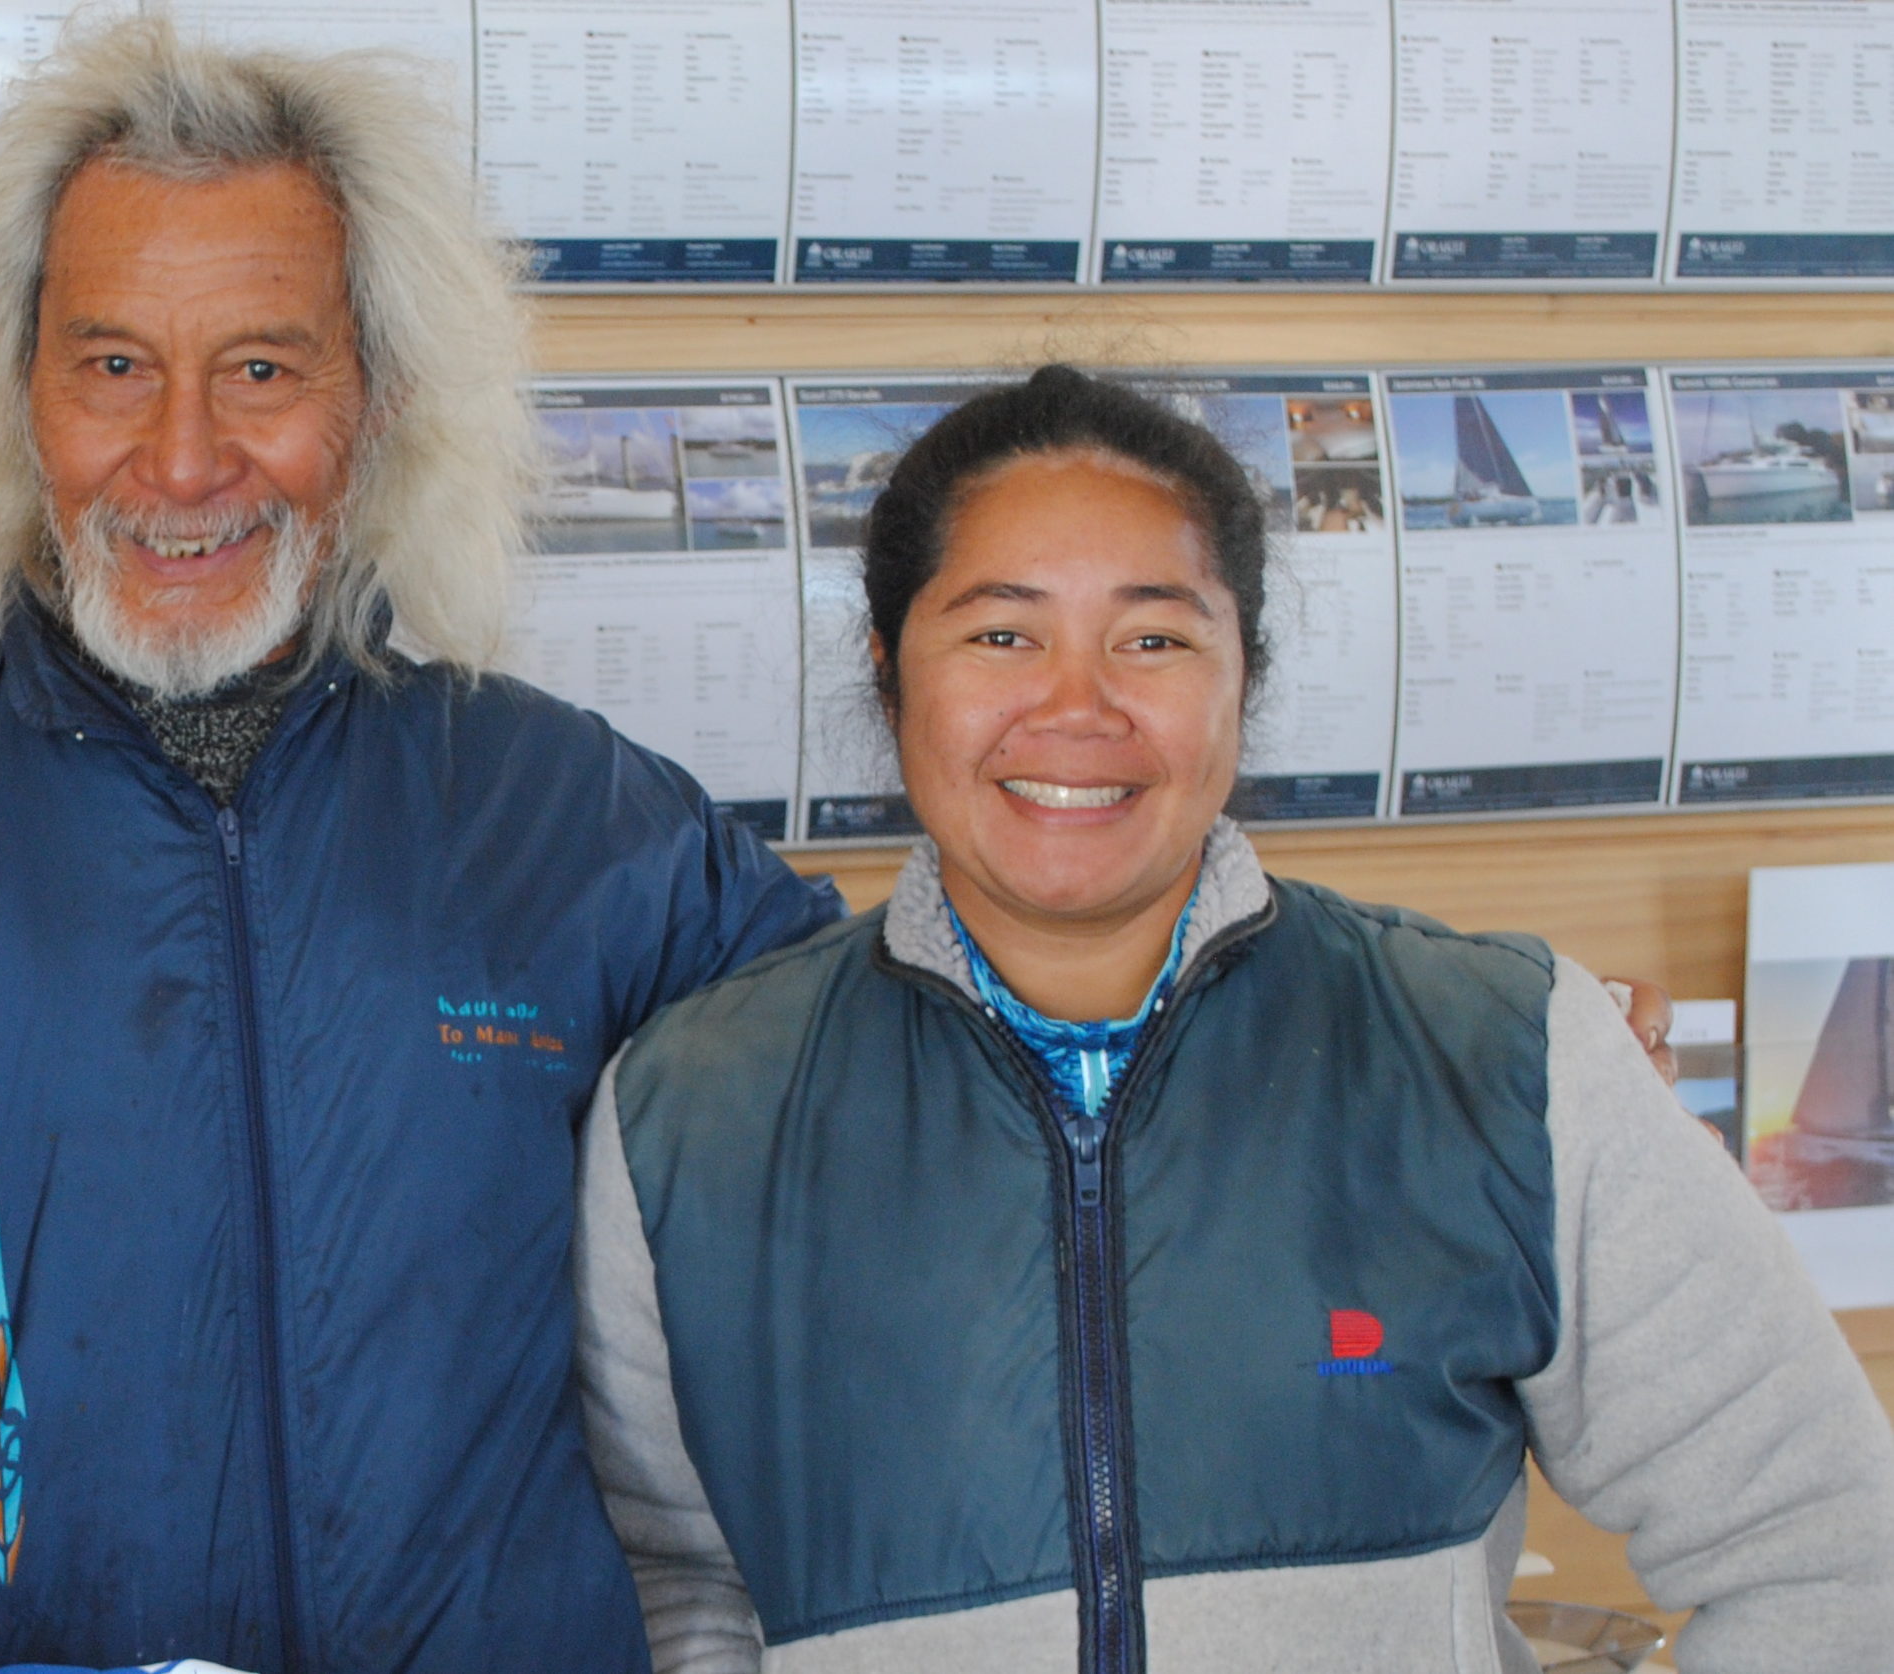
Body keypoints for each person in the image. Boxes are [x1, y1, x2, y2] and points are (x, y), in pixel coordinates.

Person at [0, 19, 842, 1674]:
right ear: (18, 392)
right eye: (111, 363)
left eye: (261, 365)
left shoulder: (597, 842)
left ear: (374, 398)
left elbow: (910, 1180)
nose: (181, 459)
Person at [573, 366, 1894, 1672]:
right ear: (889, 671)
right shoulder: (692, 1115)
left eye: (1153, 636)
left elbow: (1825, 1547)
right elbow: (676, 1577)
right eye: (1001, 633)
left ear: (1241, 672)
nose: (1077, 706)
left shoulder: (1501, 1053)